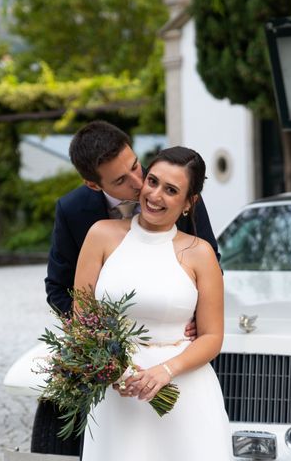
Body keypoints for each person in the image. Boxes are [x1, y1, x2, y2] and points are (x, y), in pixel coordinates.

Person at [39, 120, 220, 455]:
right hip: (116, 381)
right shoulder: (85, 220)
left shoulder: (181, 192)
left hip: (182, 369)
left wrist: (192, 315)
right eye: (123, 180)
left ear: (187, 202)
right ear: (94, 185)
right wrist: (100, 352)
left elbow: (209, 268)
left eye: (139, 168)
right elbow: (62, 291)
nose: (143, 187)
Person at [74, 146, 231, 461]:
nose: (155, 195)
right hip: (118, 399)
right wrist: (113, 370)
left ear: (189, 203)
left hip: (185, 394)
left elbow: (213, 337)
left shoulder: (200, 254)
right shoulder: (101, 236)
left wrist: (165, 371)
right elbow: (81, 321)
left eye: (171, 190)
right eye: (153, 181)